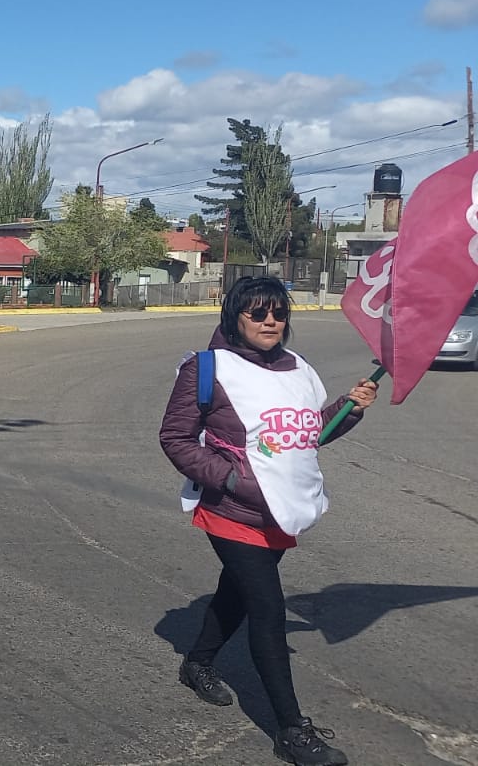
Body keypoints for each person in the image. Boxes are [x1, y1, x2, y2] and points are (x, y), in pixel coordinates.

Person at [159, 276, 375, 766]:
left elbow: (307, 434)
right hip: (233, 510)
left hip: (285, 507)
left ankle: (197, 663)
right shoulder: (207, 368)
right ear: (234, 316)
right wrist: (231, 481)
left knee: (237, 592)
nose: (270, 321)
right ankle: (291, 731)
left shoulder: (297, 367)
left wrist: (351, 408)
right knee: (267, 607)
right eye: (257, 313)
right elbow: (175, 439)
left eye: (278, 312)